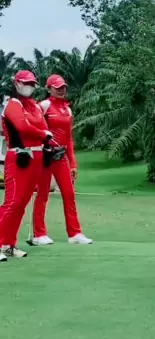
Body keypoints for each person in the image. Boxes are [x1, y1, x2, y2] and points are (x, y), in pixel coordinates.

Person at [31, 75, 92, 246]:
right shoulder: (44, 105)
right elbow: (33, 127)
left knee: (69, 193)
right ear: (49, 89)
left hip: (61, 156)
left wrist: (73, 163)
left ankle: (74, 233)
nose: (61, 90)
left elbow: (69, 138)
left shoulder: (67, 110)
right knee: (43, 194)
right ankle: (39, 234)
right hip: (45, 156)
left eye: (63, 87)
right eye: (57, 87)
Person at [0, 71, 53, 261]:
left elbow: (44, 128)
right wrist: (43, 134)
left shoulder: (34, 107)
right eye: (26, 83)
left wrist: (47, 140)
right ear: (17, 84)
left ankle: (8, 244)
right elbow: (22, 126)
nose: (29, 86)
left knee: (21, 204)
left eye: (32, 84)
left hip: (36, 156)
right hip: (19, 156)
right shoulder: (13, 104)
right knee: (12, 203)